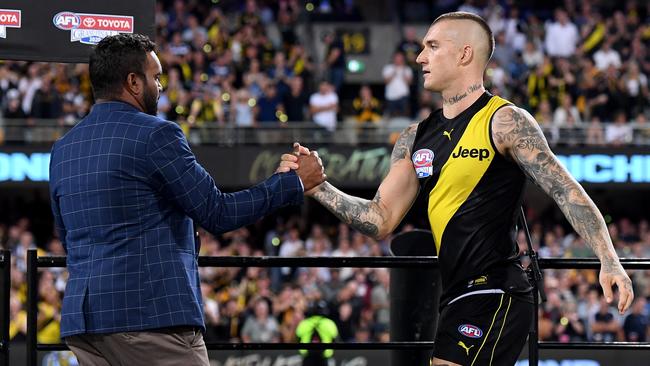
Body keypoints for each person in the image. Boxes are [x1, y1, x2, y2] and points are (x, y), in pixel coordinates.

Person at [296, 12, 634, 365]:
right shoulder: (414, 137)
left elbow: (566, 190)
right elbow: (379, 218)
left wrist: (609, 258)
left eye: (432, 46)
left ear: (464, 54)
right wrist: (318, 187)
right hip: (455, 295)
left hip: (496, 290)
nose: (419, 58)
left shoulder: (504, 120)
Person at [48, 33, 325, 366]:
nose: (161, 86)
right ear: (133, 82)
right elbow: (217, 212)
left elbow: (66, 237)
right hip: (150, 320)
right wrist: (292, 184)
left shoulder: (64, 149)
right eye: (156, 76)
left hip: (86, 323)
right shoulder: (156, 134)